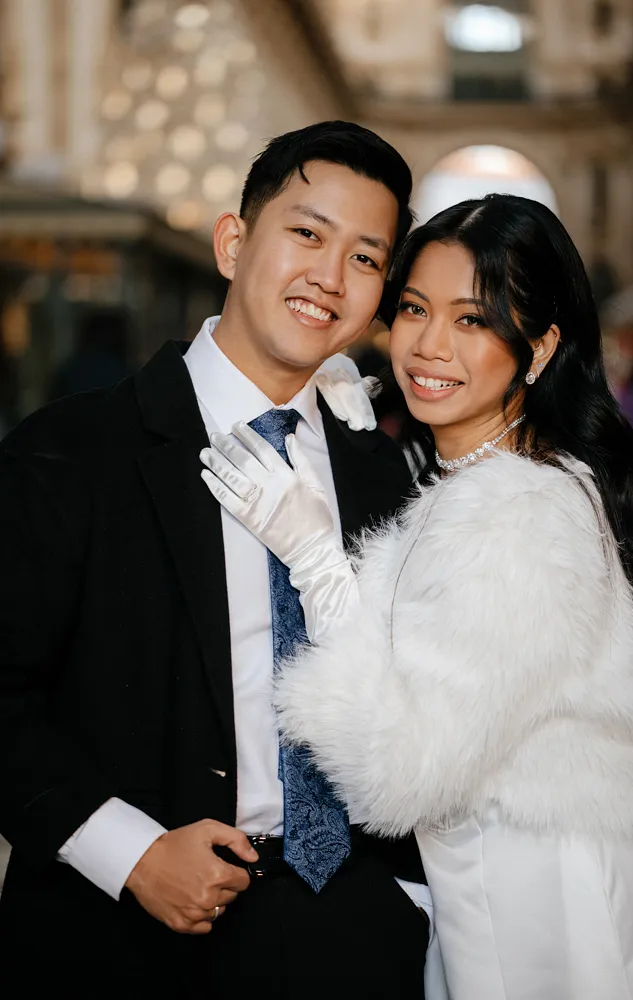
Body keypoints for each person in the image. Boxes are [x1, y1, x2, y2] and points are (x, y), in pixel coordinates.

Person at [0, 121, 434, 997]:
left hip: (353, 936)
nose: (329, 276)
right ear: (233, 243)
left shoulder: (384, 473)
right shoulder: (71, 451)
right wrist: (129, 852)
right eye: (306, 233)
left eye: (364, 257)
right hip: (120, 936)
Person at [200, 194, 633, 1000]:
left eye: (472, 320)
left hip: (543, 905)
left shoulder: (520, 512)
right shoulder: (481, 479)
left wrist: (314, 561)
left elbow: (397, 771)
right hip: (490, 885)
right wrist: (359, 432)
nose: (428, 345)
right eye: (414, 309)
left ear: (538, 347)